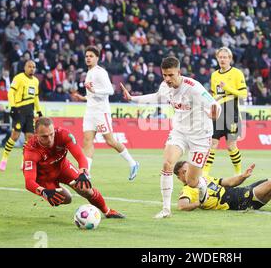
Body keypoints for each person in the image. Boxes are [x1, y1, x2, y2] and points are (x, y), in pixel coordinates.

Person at [120, 56, 221, 219]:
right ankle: (166, 209)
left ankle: (202, 186)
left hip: (200, 137)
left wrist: (215, 115)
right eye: (164, 75)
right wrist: (132, 98)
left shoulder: (194, 87)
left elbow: (215, 105)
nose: (167, 79)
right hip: (179, 132)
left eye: (171, 75)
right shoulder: (165, 86)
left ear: (179, 72)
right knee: (167, 164)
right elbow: (156, 97)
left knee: (191, 182)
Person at [22, 117, 124, 218]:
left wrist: (83, 172)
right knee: (66, 199)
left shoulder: (63, 134)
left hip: (62, 167)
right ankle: (56, 187)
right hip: (45, 177)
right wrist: (43, 192)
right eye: (44, 136)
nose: (49, 139)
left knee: (85, 189)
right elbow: (29, 182)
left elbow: (80, 156)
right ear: (36, 134)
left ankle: (107, 211)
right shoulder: (31, 150)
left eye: (51, 134)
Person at [72, 46, 139, 180]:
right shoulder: (89, 73)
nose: (88, 58)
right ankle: (87, 172)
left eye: (91, 56)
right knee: (87, 141)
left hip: (101, 112)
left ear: (97, 58)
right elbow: (92, 94)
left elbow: (110, 90)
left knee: (110, 141)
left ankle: (133, 163)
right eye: (86, 56)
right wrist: (83, 98)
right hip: (90, 111)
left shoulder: (100, 72)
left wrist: (95, 91)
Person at [203, 47, 247, 176]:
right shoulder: (214, 75)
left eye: (225, 57)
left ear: (230, 59)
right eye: (220, 57)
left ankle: (238, 172)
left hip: (231, 113)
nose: (222, 59)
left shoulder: (237, 73)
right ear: (217, 58)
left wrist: (227, 88)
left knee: (231, 145)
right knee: (212, 143)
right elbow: (214, 94)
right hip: (218, 114)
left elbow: (244, 94)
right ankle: (205, 173)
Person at [0, 60, 42, 171]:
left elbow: (36, 97)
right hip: (19, 111)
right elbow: (11, 93)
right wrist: (12, 107)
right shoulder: (18, 78)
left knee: (30, 138)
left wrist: (39, 111)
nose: (32, 68)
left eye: (34, 67)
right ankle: (4, 159)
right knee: (15, 135)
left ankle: (24, 161)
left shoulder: (36, 81)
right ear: (25, 67)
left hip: (29, 113)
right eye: (29, 66)